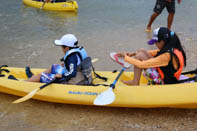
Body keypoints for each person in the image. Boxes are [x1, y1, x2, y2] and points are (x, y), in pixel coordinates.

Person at [117, 27, 186, 85]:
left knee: (140, 55)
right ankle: (135, 81)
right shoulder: (174, 48)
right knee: (141, 50)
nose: (155, 44)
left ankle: (135, 82)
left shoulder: (166, 56)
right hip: (169, 76)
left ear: (162, 41)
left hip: (164, 82)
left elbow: (141, 64)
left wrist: (126, 58)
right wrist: (133, 54)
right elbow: (155, 52)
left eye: (156, 42)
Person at [26, 34, 92, 85]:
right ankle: (33, 77)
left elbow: (72, 73)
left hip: (75, 80)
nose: (61, 49)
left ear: (66, 48)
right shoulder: (75, 50)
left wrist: (61, 75)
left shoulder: (71, 57)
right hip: (81, 75)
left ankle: (24, 82)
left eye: (62, 47)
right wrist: (67, 65)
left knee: (41, 76)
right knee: (53, 67)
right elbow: (77, 63)